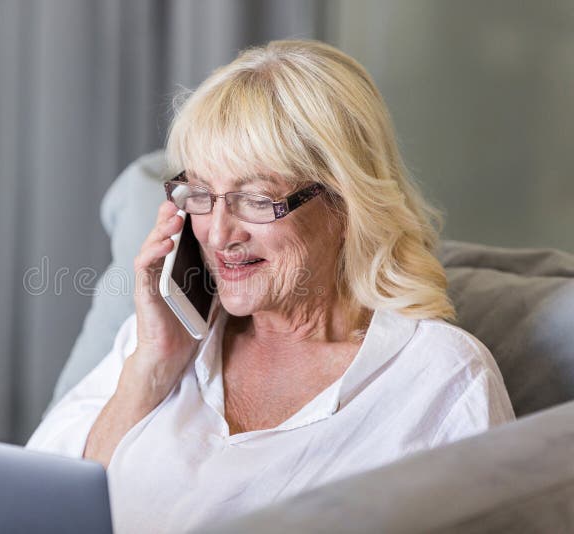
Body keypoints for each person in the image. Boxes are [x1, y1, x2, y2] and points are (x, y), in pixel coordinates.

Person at [26, 40, 515, 533]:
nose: (218, 235)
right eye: (200, 195)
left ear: (346, 204)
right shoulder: (159, 339)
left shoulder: (444, 381)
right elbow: (29, 511)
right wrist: (150, 367)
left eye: (256, 200)